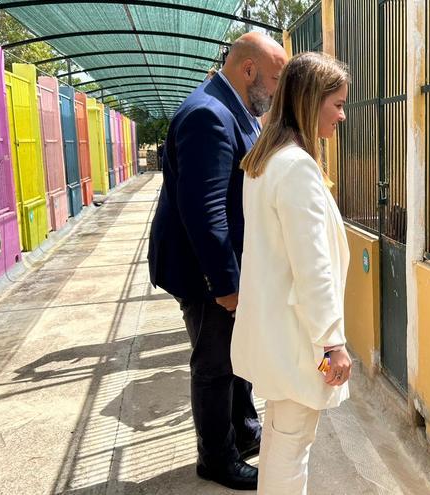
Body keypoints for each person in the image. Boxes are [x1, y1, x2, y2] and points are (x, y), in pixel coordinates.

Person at [146, 32, 288, 491]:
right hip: (205, 272)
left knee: (236, 356)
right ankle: (216, 457)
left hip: (226, 264)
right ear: (247, 70)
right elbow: (204, 211)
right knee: (214, 365)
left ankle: (243, 431)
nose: (276, 90)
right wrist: (225, 284)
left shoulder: (233, 109)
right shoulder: (209, 114)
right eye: (273, 78)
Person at [231, 52, 351, 495]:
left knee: (283, 439)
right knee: (292, 443)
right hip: (301, 338)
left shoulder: (266, 160)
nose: (342, 114)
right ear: (309, 100)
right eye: (336, 103)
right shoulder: (296, 166)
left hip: (277, 332)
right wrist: (332, 344)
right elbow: (312, 267)